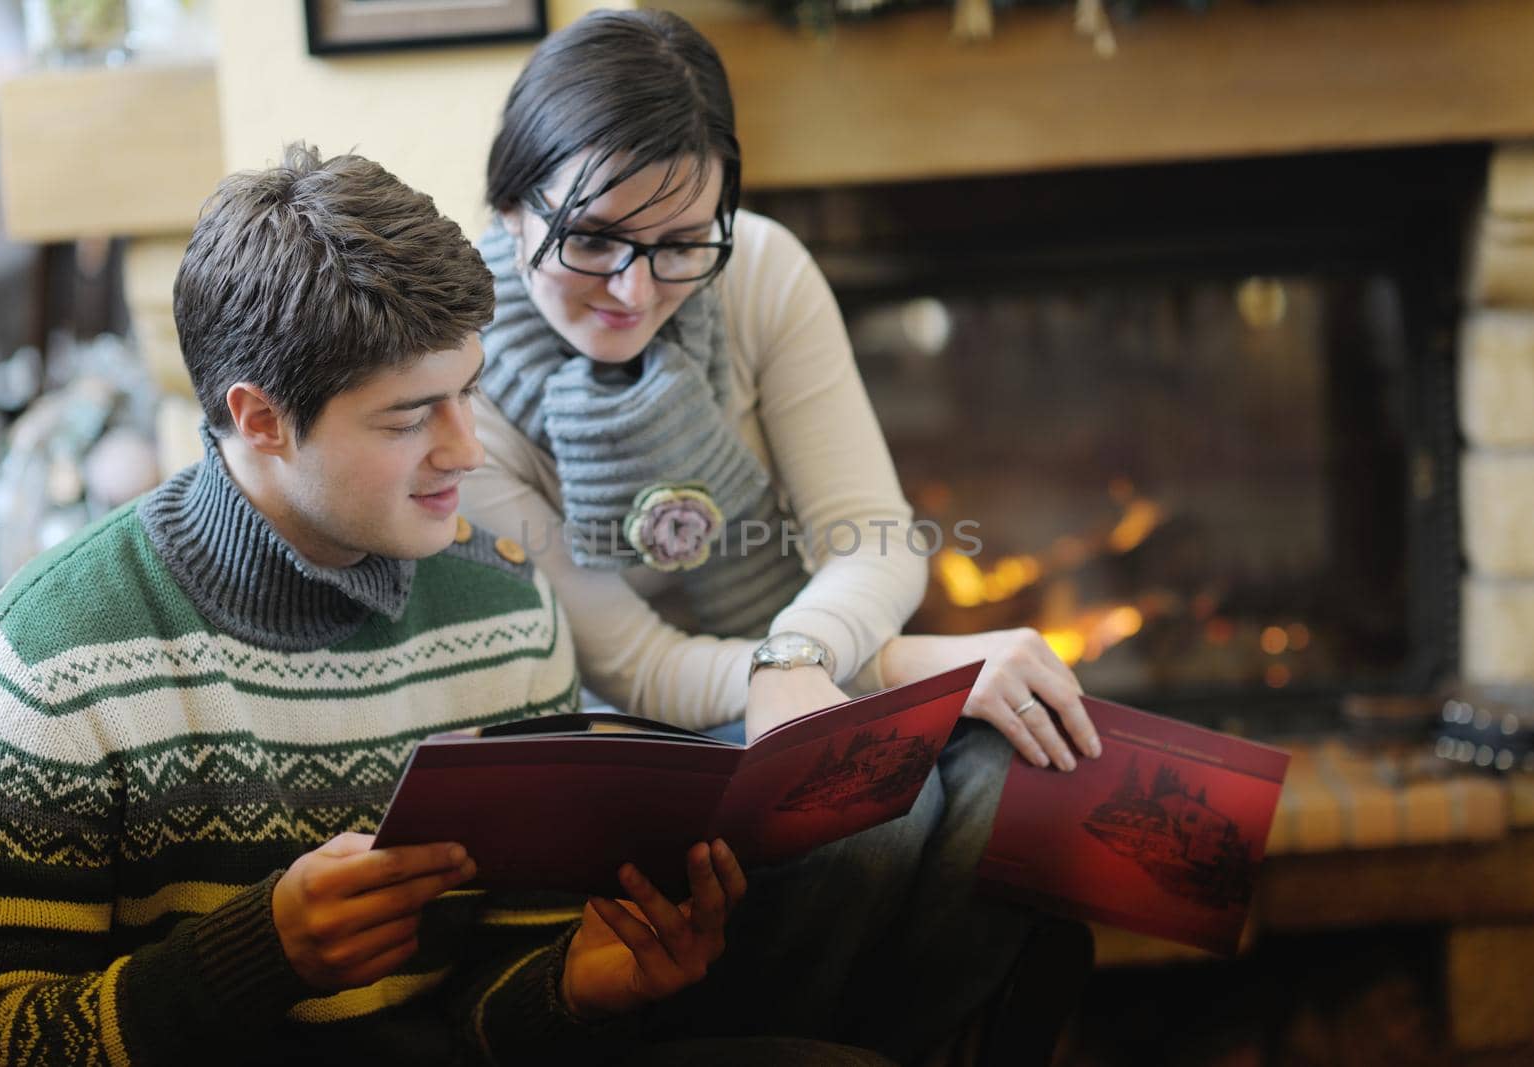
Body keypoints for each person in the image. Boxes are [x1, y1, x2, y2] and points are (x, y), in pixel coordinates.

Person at [0, 144, 764, 1067]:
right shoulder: (43, 667)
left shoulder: (506, 610)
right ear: (258, 419)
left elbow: (486, 1000)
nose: (468, 452)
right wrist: (259, 958)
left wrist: (570, 987)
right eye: (411, 416)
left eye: (470, 392)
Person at [461, 9, 1100, 1063]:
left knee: (1030, 777)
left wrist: (808, 662)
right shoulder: (459, 380)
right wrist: (878, 667)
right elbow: (628, 664)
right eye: (591, 240)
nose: (636, 289)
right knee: (864, 809)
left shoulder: (757, 270)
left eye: (678, 244)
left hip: (810, 674)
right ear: (507, 203)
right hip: (625, 737)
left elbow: (879, 538)